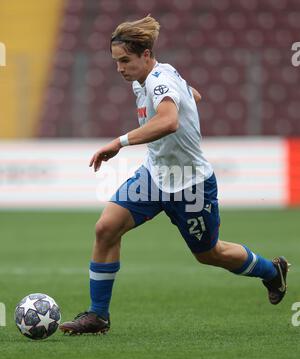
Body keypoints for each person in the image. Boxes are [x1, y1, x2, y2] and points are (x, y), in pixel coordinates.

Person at [59, 16, 290, 335]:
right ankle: (98, 316)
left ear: (146, 54)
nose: (120, 68)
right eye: (116, 62)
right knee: (106, 228)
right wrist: (185, 97)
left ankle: (272, 270)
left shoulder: (157, 80)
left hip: (190, 185)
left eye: (125, 61)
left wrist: (119, 142)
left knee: (210, 254)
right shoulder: (152, 79)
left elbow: (169, 121)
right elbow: (194, 95)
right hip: (154, 178)